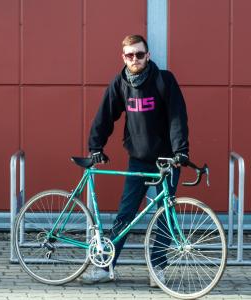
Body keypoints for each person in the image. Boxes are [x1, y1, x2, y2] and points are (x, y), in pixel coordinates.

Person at [81, 34, 189, 286]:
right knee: (126, 214)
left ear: (148, 55)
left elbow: (177, 118)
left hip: (166, 161)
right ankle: (106, 267)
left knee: (166, 216)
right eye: (130, 55)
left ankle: (157, 269)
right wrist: (95, 146)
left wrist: (181, 151)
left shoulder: (164, 80)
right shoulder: (120, 83)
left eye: (139, 54)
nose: (135, 59)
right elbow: (104, 116)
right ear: (123, 57)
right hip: (138, 160)